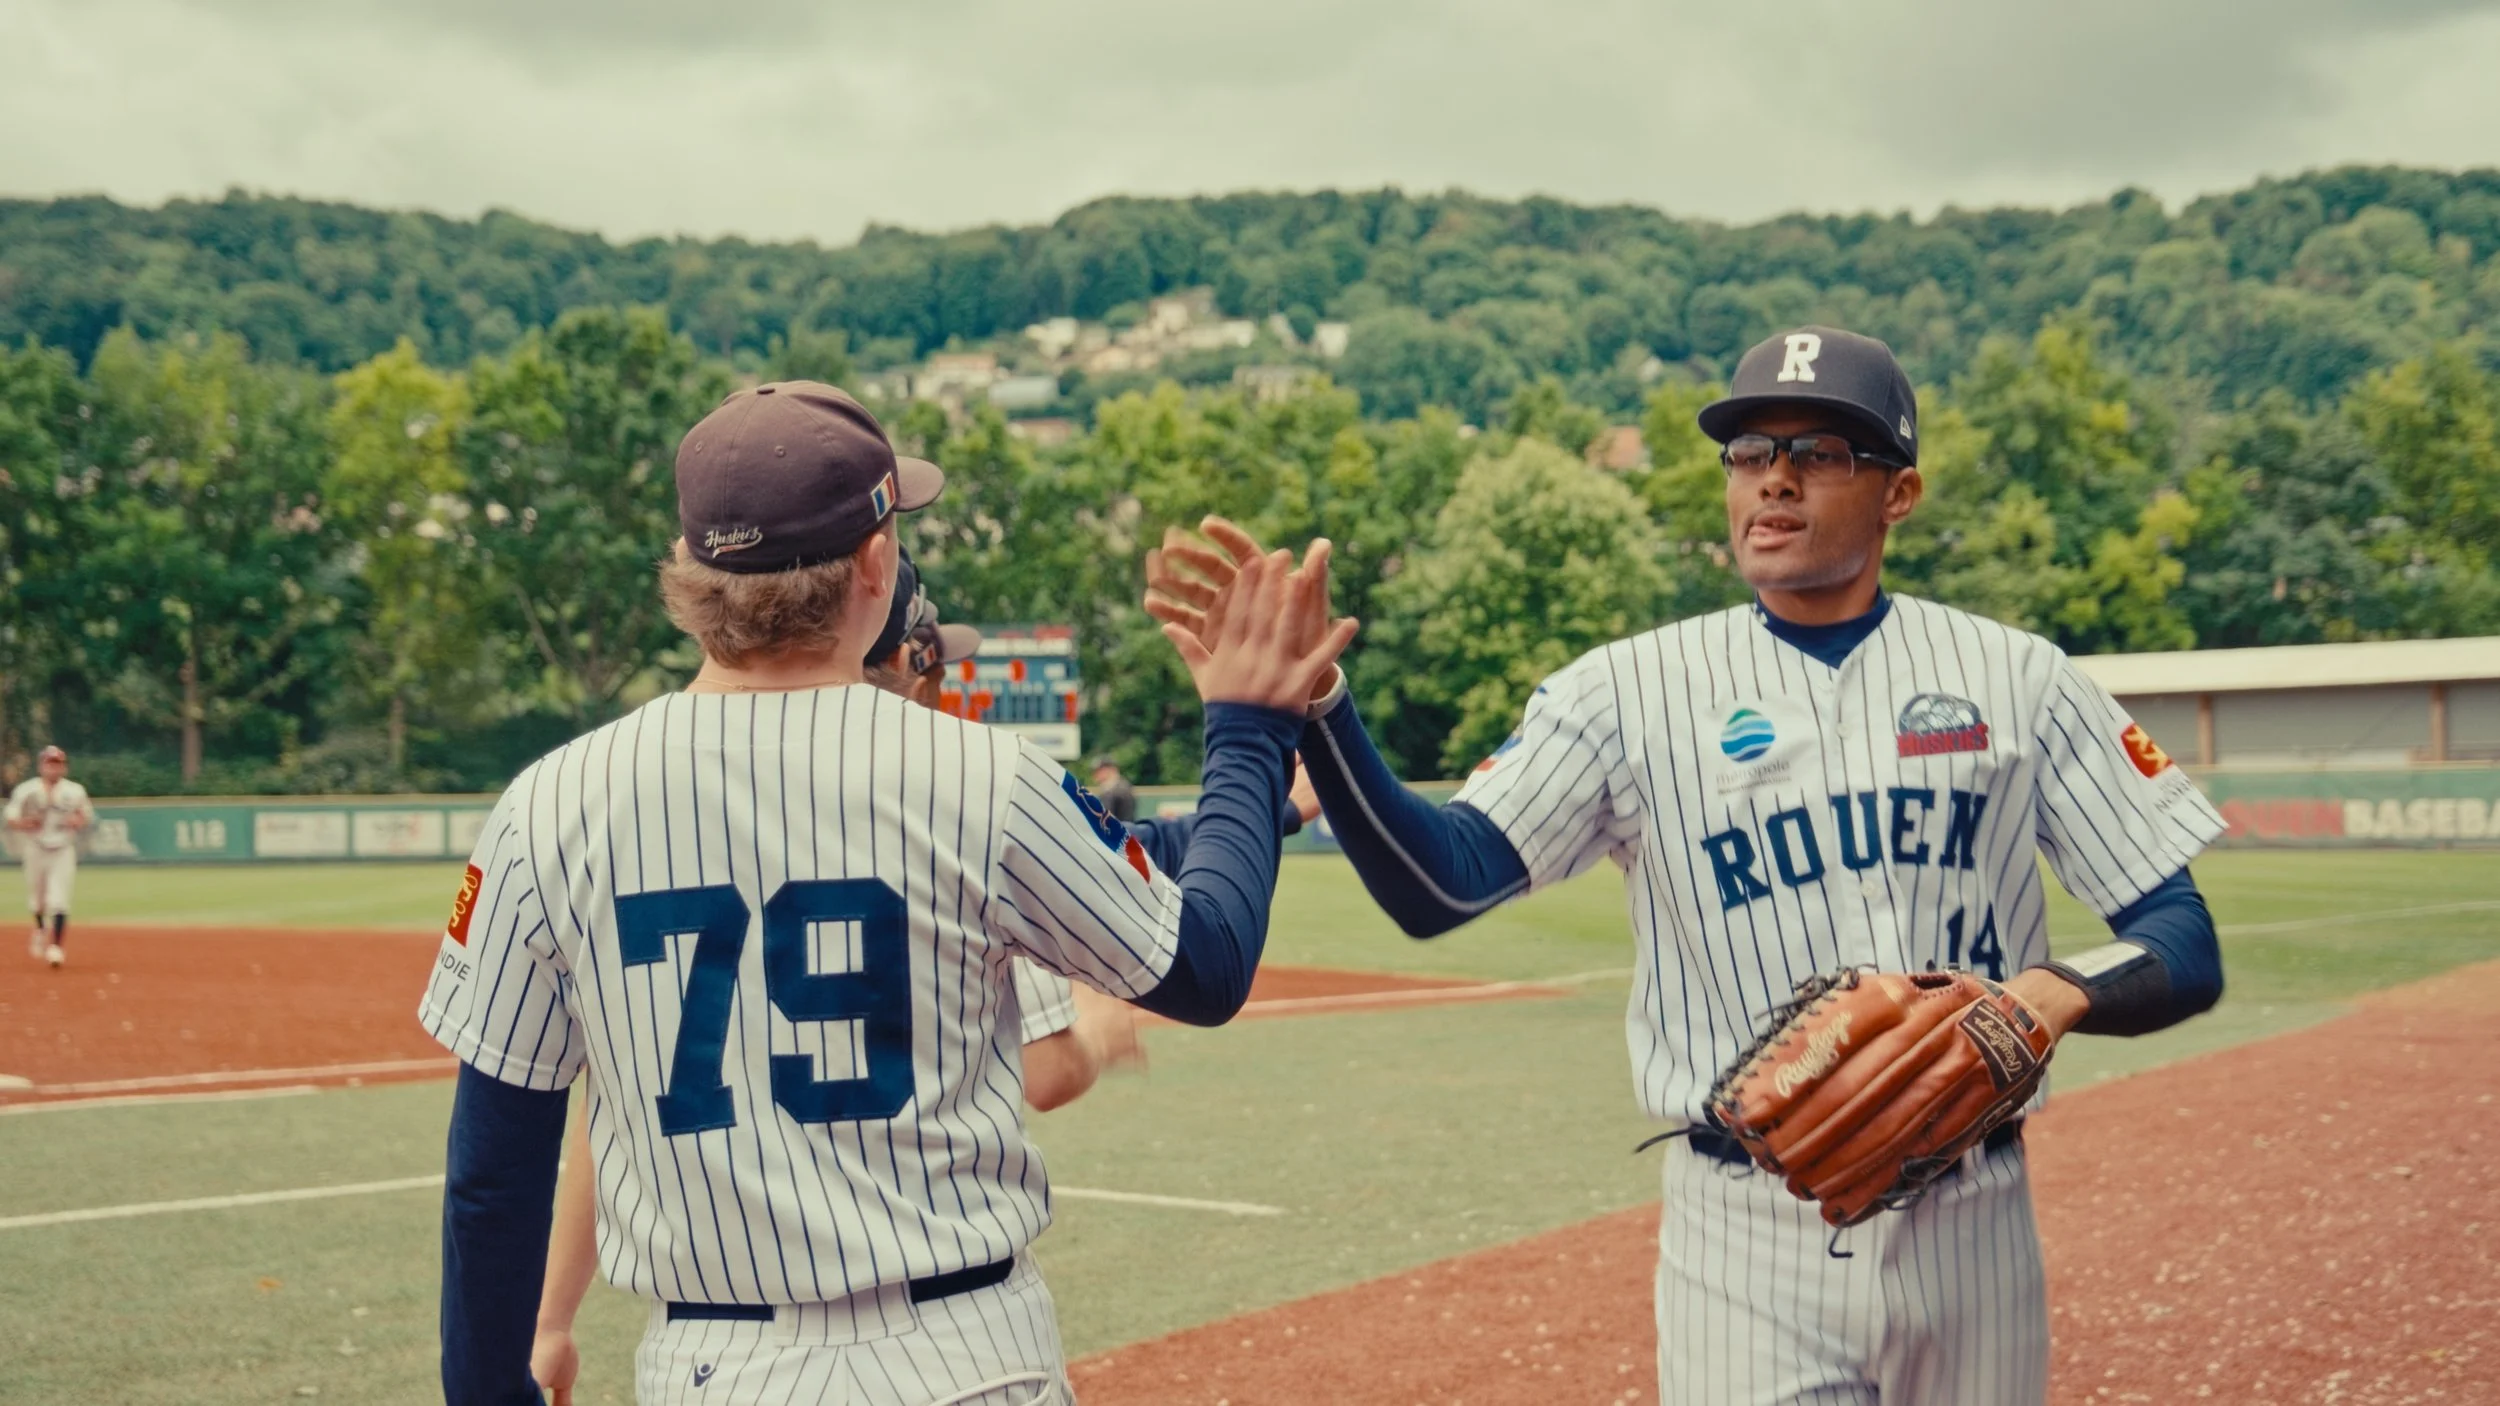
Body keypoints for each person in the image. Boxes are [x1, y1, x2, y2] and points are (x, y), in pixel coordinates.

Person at [1147, 328, 2227, 1406]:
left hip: (1973, 1221)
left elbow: (2182, 937)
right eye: (1750, 451)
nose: (1777, 479)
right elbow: (1443, 884)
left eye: (1821, 451)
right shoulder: (1625, 692)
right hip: (1747, 1232)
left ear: (1899, 493)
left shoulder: (2019, 676)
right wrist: (1323, 712)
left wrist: (2053, 994)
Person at [421, 380, 1354, 1406]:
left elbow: (492, 1176)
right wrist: (1247, 729)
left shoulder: (545, 805)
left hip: (709, 1368)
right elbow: (1208, 962)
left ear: (688, 574)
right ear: (875, 562)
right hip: (960, 1353)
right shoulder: (983, 775)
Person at [6, 745, 93, 969]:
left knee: (59, 900)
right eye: (50, 763)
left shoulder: (74, 791)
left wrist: (78, 821)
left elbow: (86, 816)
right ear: (41, 766)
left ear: (64, 767)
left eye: (58, 764)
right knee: (38, 901)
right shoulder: (27, 790)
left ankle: (56, 947)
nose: (54, 768)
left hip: (62, 849)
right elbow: (11, 817)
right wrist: (25, 823)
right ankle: (40, 927)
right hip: (35, 848)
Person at [1086, 758, 1135, 824]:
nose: (1095, 775)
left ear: (1111, 770)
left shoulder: (1113, 790)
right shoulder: (1124, 785)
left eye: (1099, 771)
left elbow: (1106, 820)